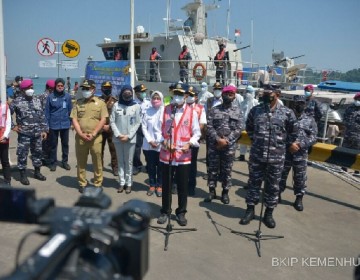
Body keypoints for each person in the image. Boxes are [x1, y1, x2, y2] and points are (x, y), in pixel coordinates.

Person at [240, 85, 298, 228]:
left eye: (269, 93)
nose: (265, 95)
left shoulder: (287, 113)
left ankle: (268, 214)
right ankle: (250, 211)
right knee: (253, 183)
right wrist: (257, 141)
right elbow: (249, 127)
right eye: (264, 93)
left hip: (276, 157)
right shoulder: (256, 110)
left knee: (273, 187)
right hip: (257, 156)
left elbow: (293, 132)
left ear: (277, 94)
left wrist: (283, 144)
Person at [157, 83, 201, 226]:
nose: (178, 96)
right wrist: (164, 142)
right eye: (176, 93)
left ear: (186, 96)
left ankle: (181, 212)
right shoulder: (165, 110)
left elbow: (197, 133)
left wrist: (190, 143)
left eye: (181, 94)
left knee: (182, 186)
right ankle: (165, 211)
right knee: (167, 185)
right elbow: (158, 131)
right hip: (167, 154)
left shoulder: (192, 112)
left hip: (183, 156)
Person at [204, 85, 243, 204]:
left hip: (229, 147)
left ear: (234, 96)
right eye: (226, 94)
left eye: (231, 94)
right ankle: (211, 191)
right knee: (212, 169)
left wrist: (227, 141)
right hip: (214, 145)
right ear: (222, 95)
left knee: (227, 170)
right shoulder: (214, 110)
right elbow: (209, 126)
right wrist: (217, 139)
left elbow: (239, 129)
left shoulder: (238, 111)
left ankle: (225, 193)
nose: (228, 96)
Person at [279, 95, 318, 211]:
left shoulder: (310, 120)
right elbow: (280, 133)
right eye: (297, 103)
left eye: (302, 103)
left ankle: (299, 198)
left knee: (300, 177)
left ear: (305, 105)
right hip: (286, 151)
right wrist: (290, 144)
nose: (299, 105)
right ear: (293, 104)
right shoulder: (286, 118)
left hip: (301, 154)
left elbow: (314, 137)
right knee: (281, 175)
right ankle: (277, 194)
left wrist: (300, 144)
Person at [71, 80, 108, 192]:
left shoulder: (101, 103)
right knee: (81, 161)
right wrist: (81, 134)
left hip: (96, 138)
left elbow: (103, 119)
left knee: (97, 161)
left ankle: (98, 183)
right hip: (81, 138)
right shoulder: (78, 103)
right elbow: (74, 119)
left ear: (93, 89)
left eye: (88, 89)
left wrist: (93, 133)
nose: (85, 91)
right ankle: (82, 183)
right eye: (84, 89)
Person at [10, 79, 48, 185]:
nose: (31, 89)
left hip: (37, 133)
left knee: (38, 153)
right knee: (22, 154)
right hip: (24, 134)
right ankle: (22, 175)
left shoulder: (37, 100)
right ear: (23, 90)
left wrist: (44, 129)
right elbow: (7, 114)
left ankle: (37, 172)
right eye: (28, 88)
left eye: (32, 87)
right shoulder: (16, 101)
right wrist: (13, 126)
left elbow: (42, 115)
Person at [110, 85, 141, 194]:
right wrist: (118, 135)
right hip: (118, 139)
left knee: (129, 162)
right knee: (120, 161)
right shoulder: (116, 105)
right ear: (122, 93)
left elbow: (138, 122)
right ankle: (121, 182)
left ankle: (129, 183)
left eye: (129, 92)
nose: (127, 94)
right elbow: (112, 121)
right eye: (125, 92)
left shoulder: (136, 106)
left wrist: (128, 136)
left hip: (130, 139)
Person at [45, 78, 73, 172]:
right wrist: (46, 126)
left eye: (61, 86)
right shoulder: (50, 97)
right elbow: (47, 112)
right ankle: (53, 163)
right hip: (53, 124)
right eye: (58, 86)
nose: (60, 87)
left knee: (65, 144)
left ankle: (65, 162)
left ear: (64, 86)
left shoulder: (68, 96)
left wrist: (72, 123)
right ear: (55, 86)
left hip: (65, 124)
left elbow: (70, 111)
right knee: (53, 145)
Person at [142, 90, 164, 197]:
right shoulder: (147, 111)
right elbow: (144, 127)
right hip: (149, 144)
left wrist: (159, 141)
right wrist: (150, 140)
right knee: (151, 166)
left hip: (161, 145)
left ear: (161, 100)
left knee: (160, 166)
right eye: (154, 98)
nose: (155, 100)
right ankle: (152, 184)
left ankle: (160, 185)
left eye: (158, 98)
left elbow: (166, 128)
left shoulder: (165, 112)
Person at [185, 86, 207, 196]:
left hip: (193, 140)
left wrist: (193, 136)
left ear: (196, 97)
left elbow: (202, 124)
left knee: (192, 164)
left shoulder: (200, 108)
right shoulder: (180, 106)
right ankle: (178, 183)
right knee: (179, 164)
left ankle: (191, 186)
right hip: (181, 141)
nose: (190, 97)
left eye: (192, 95)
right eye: (188, 94)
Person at [203, 82, 223, 180]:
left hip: (221, 130)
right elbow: (204, 113)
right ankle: (209, 172)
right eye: (215, 89)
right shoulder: (209, 101)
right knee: (209, 153)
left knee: (220, 152)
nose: (217, 91)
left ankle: (219, 172)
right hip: (210, 129)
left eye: (219, 89)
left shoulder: (224, 100)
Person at [99, 81, 118, 176]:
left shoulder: (115, 100)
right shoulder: (97, 101)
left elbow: (116, 116)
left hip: (111, 129)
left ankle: (115, 168)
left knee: (113, 150)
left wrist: (109, 125)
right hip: (100, 129)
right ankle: (99, 167)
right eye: (105, 88)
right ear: (102, 89)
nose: (107, 89)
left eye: (109, 88)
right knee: (99, 149)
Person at [133, 84, 151, 175]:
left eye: (145, 91)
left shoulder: (148, 102)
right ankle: (137, 165)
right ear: (136, 93)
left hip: (147, 126)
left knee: (147, 147)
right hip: (137, 127)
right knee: (137, 147)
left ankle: (149, 165)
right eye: (142, 92)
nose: (144, 93)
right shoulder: (133, 103)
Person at [342, 92, 360, 176]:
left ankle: (357, 170)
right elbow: (344, 118)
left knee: (357, 152)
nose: (357, 101)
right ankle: (344, 167)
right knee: (345, 150)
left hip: (358, 135)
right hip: (348, 133)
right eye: (356, 99)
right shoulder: (350, 108)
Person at [238, 85, 258, 161]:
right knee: (243, 140)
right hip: (243, 124)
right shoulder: (242, 103)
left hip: (253, 125)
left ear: (253, 93)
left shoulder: (256, 102)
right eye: (247, 92)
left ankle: (251, 156)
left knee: (252, 141)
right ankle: (242, 155)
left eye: (249, 92)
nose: (248, 94)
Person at [39, 79, 55, 166]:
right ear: (49, 88)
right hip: (46, 121)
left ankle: (46, 157)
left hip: (47, 121)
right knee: (47, 141)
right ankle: (45, 158)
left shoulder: (41, 95)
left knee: (48, 141)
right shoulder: (47, 96)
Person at [0, 100, 12, 185]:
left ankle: (7, 181)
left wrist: (5, 135)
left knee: (5, 161)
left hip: (3, 137)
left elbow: (8, 123)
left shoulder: (5, 107)